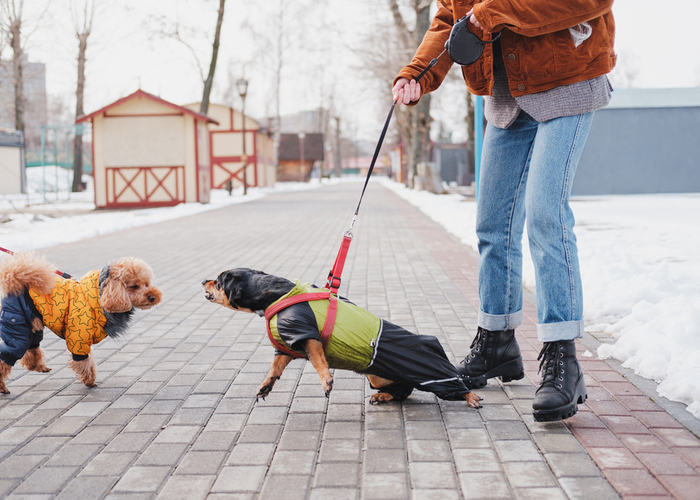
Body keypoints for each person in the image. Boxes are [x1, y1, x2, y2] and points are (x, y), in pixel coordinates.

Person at [392, 0, 615, 422]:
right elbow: (449, 18)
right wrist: (419, 71)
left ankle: (561, 356)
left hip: (566, 78)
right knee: (493, 224)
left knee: (546, 214)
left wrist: (488, 15)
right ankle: (496, 342)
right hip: (506, 92)